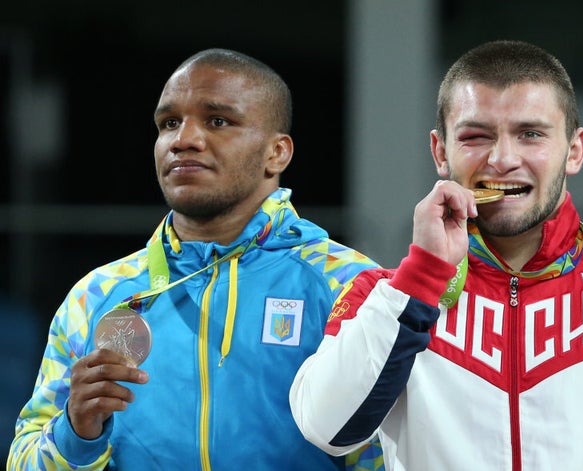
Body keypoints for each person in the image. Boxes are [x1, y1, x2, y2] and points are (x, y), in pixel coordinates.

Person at [289, 40, 583, 470]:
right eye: (476, 136)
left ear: (574, 150)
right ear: (441, 152)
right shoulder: (384, 297)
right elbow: (329, 430)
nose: (503, 159)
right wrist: (422, 278)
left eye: (530, 134)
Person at [7, 48, 384, 470]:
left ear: (277, 153)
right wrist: (75, 434)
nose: (183, 139)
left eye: (217, 121)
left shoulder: (348, 286)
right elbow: (22, 461)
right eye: (169, 123)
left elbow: (384, 455)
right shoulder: (97, 295)